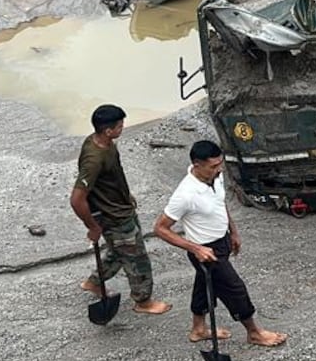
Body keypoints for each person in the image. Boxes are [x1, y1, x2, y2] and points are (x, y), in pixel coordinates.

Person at [153, 141, 287, 347]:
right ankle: (254, 332)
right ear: (197, 165)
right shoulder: (185, 194)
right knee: (235, 288)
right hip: (205, 251)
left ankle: (198, 329)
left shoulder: (215, 177)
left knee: (205, 286)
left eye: (220, 164)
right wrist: (196, 248)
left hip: (221, 239)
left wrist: (233, 231)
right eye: (214, 166)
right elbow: (160, 228)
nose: (220, 169)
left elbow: (220, 202)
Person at [70, 104, 171, 315]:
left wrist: (125, 194)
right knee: (137, 259)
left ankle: (94, 282)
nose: (123, 127)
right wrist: (92, 227)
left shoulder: (102, 142)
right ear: (108, 130)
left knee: (118, 252)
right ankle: (143, 301)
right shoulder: (94, 159)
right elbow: (77, 199)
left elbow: (111, 176)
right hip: (114, 216)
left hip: (119, 206)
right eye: (120, 125)